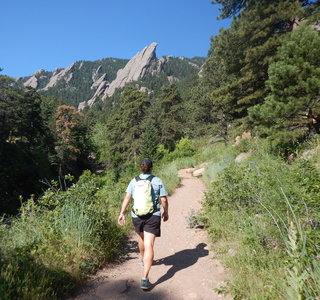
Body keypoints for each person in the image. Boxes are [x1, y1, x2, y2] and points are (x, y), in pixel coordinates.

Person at [118, 158, 169, 290]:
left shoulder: (134, 181)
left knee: (141, 238)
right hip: (153, 215)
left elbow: (127, 197)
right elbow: (163, 199)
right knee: (149, 244)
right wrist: (166, 212)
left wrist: (122, 213)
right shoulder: (157, 180)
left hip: (137, 215)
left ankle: (142, 259)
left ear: (141, 168)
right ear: (152, 167)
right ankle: (145, 279)